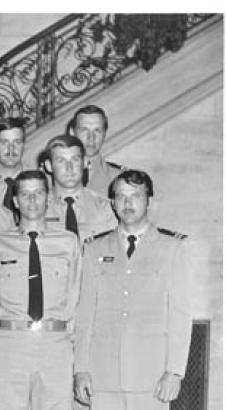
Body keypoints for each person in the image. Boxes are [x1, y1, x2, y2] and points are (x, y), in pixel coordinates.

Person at [74, 170, 194, 409]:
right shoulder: (94, 249)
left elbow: (180, 315)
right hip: (103, 375)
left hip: (151, 378)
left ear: (149, 201)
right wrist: (81, 369)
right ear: (112, 203)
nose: (127, 203)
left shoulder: (172, 248)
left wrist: (174, 372)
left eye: (135, 196)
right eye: (121, 196)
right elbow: (85, 314)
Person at [0, 170, 82, 410]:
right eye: (25, 194)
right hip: (9, 344)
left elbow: (76, 299)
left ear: (48, 197)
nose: (32, 200)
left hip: (55, 343)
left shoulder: (68, 242)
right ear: (15, 201)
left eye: (38, 193)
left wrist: (75, 351)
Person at [41, 134, 117, 239]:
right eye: (61, 161)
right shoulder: (37, 207)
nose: (69, 167)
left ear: (85, 162)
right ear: (49, 166)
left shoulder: (106, 208)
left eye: (75, 159)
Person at [68, 104, 125, 197]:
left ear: (104, 134)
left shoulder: (119, 178)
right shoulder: (51, 176)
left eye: (97, 131)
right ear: (72, 133)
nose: (91, 138)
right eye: (84, 130)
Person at [0, 117, 26, 213]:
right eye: (4, 142)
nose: (11, 148)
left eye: (17, 142)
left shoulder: (39, 182)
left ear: (23, 146)